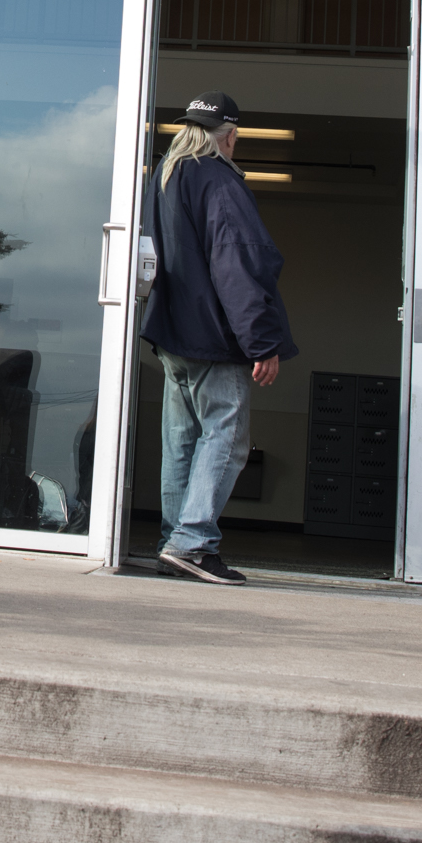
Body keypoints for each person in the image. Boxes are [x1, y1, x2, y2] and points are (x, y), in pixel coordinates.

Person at [140, 91, 296, 585]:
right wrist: (261, 341)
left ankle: (175, 542)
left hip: (172, 336)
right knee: (226, 441)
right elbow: (237, 264)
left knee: (182, 442)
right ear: (230, 136)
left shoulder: (162, 178)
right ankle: (192, 542)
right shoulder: (218, 181)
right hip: (213, 337)